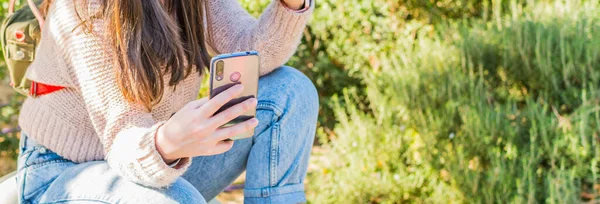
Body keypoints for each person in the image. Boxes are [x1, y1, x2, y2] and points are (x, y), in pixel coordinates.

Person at [15, 0, 318, 203]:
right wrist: (168, 140)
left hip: (161, 159)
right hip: (62, 172)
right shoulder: (84, 6)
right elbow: (123, 135)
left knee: (289, 91)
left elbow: (250, 51)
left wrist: (290, 4)